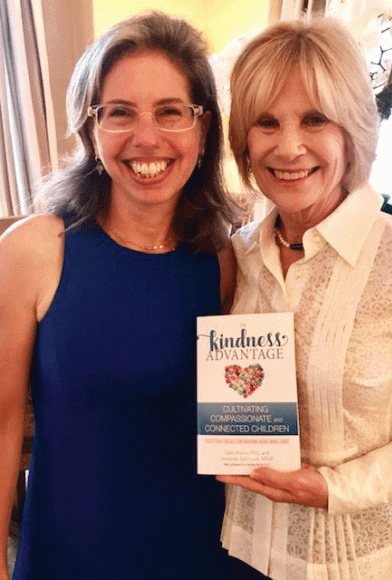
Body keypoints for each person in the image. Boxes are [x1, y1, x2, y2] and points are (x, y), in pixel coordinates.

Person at [0, 10, 237, 580]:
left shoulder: (224, 262)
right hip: (73, 556)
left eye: (171, 112)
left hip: (205, 555)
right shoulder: (35, 250)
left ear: (203, 132)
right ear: (90, 131)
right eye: (119, 113)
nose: (146, 137)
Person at [217, 18, 392, 580]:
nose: (289, 147)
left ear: (353, 129)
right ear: (244, 140)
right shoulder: (232, 258)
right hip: (244, 549)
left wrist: (332, 488)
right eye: (266, 122)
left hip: (362, 561)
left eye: (314, 119)